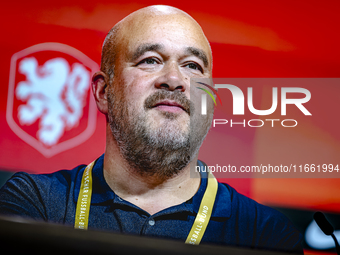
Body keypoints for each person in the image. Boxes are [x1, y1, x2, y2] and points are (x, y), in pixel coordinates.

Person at [0, 5, 302, 252]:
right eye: (150, 60)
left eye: (193, 66)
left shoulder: (264, 235)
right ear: (104, 92)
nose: (173, 79)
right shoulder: (33, 203)